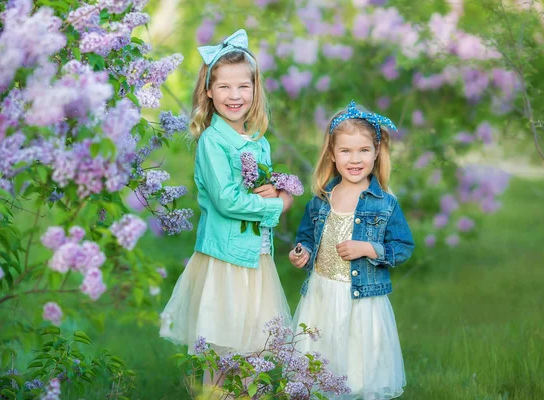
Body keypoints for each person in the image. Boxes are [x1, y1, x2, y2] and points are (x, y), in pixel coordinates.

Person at [160, 29, 293, 375]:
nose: (234, 96)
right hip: (226, 259)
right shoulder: (212, 142)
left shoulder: (257, 140)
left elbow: (258, 187)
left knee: (253, 347)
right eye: (224, 87)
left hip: (256, 256)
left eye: (243, 87)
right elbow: (227, 200)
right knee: (224, 346)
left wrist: (278, 190)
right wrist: (277, 206)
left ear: (255, 89)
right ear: (208, 91)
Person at [289, 100, 414, 399]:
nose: (354, 159)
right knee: (319, 369)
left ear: (376, 153)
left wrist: (370, 248)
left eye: (363, 151)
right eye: (346, 151)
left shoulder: (385, 203)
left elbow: (403, 246)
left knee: (359, 371)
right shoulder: (322, 199)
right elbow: (306, 236)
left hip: (361, 301)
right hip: (321, 295)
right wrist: (301, 252)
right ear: (332, 154)